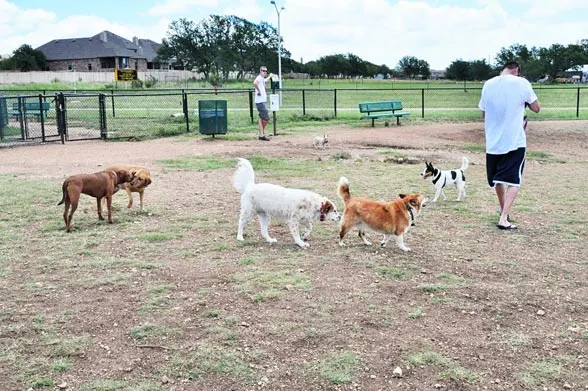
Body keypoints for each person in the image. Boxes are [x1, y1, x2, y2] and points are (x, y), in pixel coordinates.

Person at [478, 61, 540, 230]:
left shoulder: (488, 84)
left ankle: (503, 209)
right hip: (514, 141)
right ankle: (504, 218)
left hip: (493, 142)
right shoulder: (522, 83)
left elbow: (484, 113)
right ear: (516, 71)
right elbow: (536, 108)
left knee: (498, 178)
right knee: (514, 180)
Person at [253, 66, 274, 141]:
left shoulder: (262, 79)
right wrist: (258, 91)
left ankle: (261, 134)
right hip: (260, 101)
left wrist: (270, 76)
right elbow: (255, 83)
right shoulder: (258, 78)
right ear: (260, 71)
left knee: (262, 117)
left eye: (265, 71)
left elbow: (265, 80)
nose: (264, 72)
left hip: (262, 101)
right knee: (266, 118)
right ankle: (261, 133)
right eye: (263, 71)